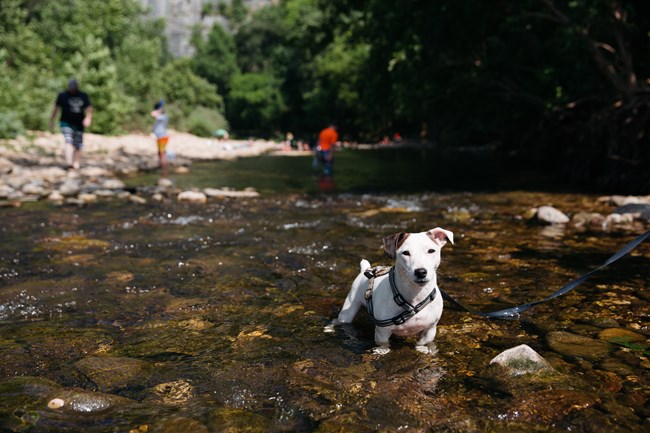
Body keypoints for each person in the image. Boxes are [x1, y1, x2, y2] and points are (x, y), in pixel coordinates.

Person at [49, 79, 93, 169]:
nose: (73, 89)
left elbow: (89, 107)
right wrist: (52, 120)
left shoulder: (83, 95)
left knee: (78, 144)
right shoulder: (62, 96)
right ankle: (69, 162)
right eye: (71, 87)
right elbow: (56, 108)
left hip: (79, 124)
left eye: (74, 87)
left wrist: (88, 118)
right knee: (68, 140)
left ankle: (76, 163)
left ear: (77, 87)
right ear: (68, 87)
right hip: (65, 122)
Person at [150, 99, 169, 177]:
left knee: (162, 154)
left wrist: (157, 112)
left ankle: (164, 173)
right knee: (160, 153)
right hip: (160, 137)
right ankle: (162, 169)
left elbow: (155, 116)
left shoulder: (163, 117)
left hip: (162, 137)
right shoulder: (161, 116)